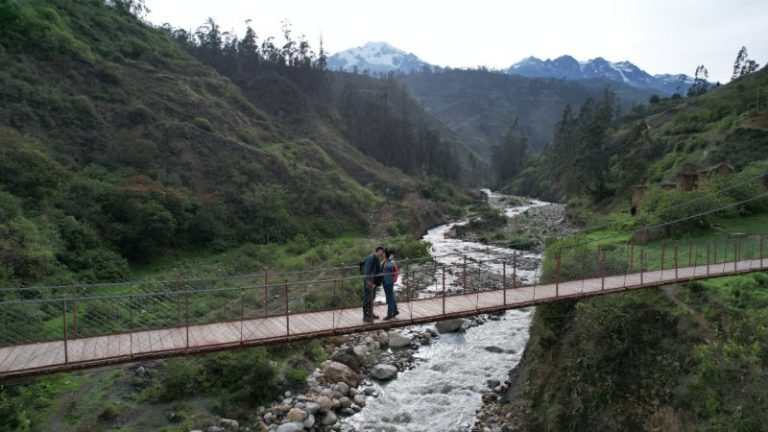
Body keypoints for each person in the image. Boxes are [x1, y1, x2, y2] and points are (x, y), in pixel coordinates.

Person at [362, 246, 385, 322]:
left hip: (373, 281)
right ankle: (366, 316)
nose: (382, 253)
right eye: (381, 251)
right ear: (378, 251)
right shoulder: (371, 258)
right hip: (369, 282)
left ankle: (371, 313)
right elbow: (366, 271)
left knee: (372, 297)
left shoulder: (376, 258)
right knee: (367, 298)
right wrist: (369, 283)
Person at [382, 249, 399, 320]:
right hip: (388, 281)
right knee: (391, 296)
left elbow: (385, 269)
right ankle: (395, 311)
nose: (382, 254)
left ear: (386, 255)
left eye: (384, 253)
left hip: (388, 282)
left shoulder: (388, 263)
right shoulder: (388, 262)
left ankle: (390, 314)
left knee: (389, 298)